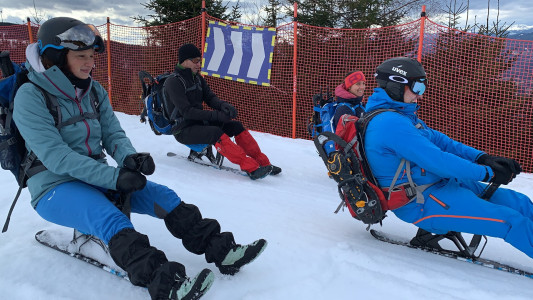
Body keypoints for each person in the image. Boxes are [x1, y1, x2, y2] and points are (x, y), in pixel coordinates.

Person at [13, 17, 267, 300]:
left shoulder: (93, 90)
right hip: (53, 187)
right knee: (109, 218)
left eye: (92, 56)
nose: (89, 63)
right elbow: (57, 157)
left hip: (94, 176)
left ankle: (222, 250)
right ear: (56, 58)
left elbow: (113, 135)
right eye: (81, 56)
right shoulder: (30, 96)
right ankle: (165, 283)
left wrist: (130, 159)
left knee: (164, 197)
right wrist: (114, 177)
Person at [363, 56, 533, 258]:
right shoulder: (389, 123)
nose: (420, 95)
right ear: (396, 85)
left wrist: (482, 158)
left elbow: (442, 141)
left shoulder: (400, 115)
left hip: (441, 185)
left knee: (521, 203)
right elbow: (438, 160)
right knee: (512, 221)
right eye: (417, 87)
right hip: (421, 202)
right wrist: (487, 173)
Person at [163, 43, 281, 180]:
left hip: (199, 123)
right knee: (216, 133)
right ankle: (251, 168)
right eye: (195, 61)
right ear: (184, 61)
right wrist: (216, 116)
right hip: (183, 129)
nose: (198, 64)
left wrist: (223, 106)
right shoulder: (174, 82)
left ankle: (263, 162)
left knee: (236, 126)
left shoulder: (197, 78)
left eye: (199, 61)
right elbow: (187, 112)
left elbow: (210, 98)